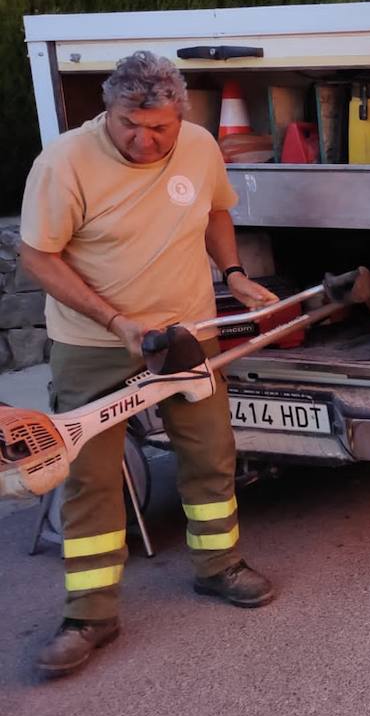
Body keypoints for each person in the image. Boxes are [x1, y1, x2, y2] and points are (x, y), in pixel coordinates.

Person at [19, 51, 280, 679]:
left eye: (158, 126)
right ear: (107, 110)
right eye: (127, 122)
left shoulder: (197, 145)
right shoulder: (64, 163)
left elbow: (216, 210)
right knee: (92, 477)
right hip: (95, 345)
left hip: (189, 333)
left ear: (180, 115)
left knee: (211, 453)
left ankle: (219, 568)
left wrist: (236, 275)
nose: (143, 138)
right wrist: (117, 323)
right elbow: (38, 257)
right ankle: (90, 614)